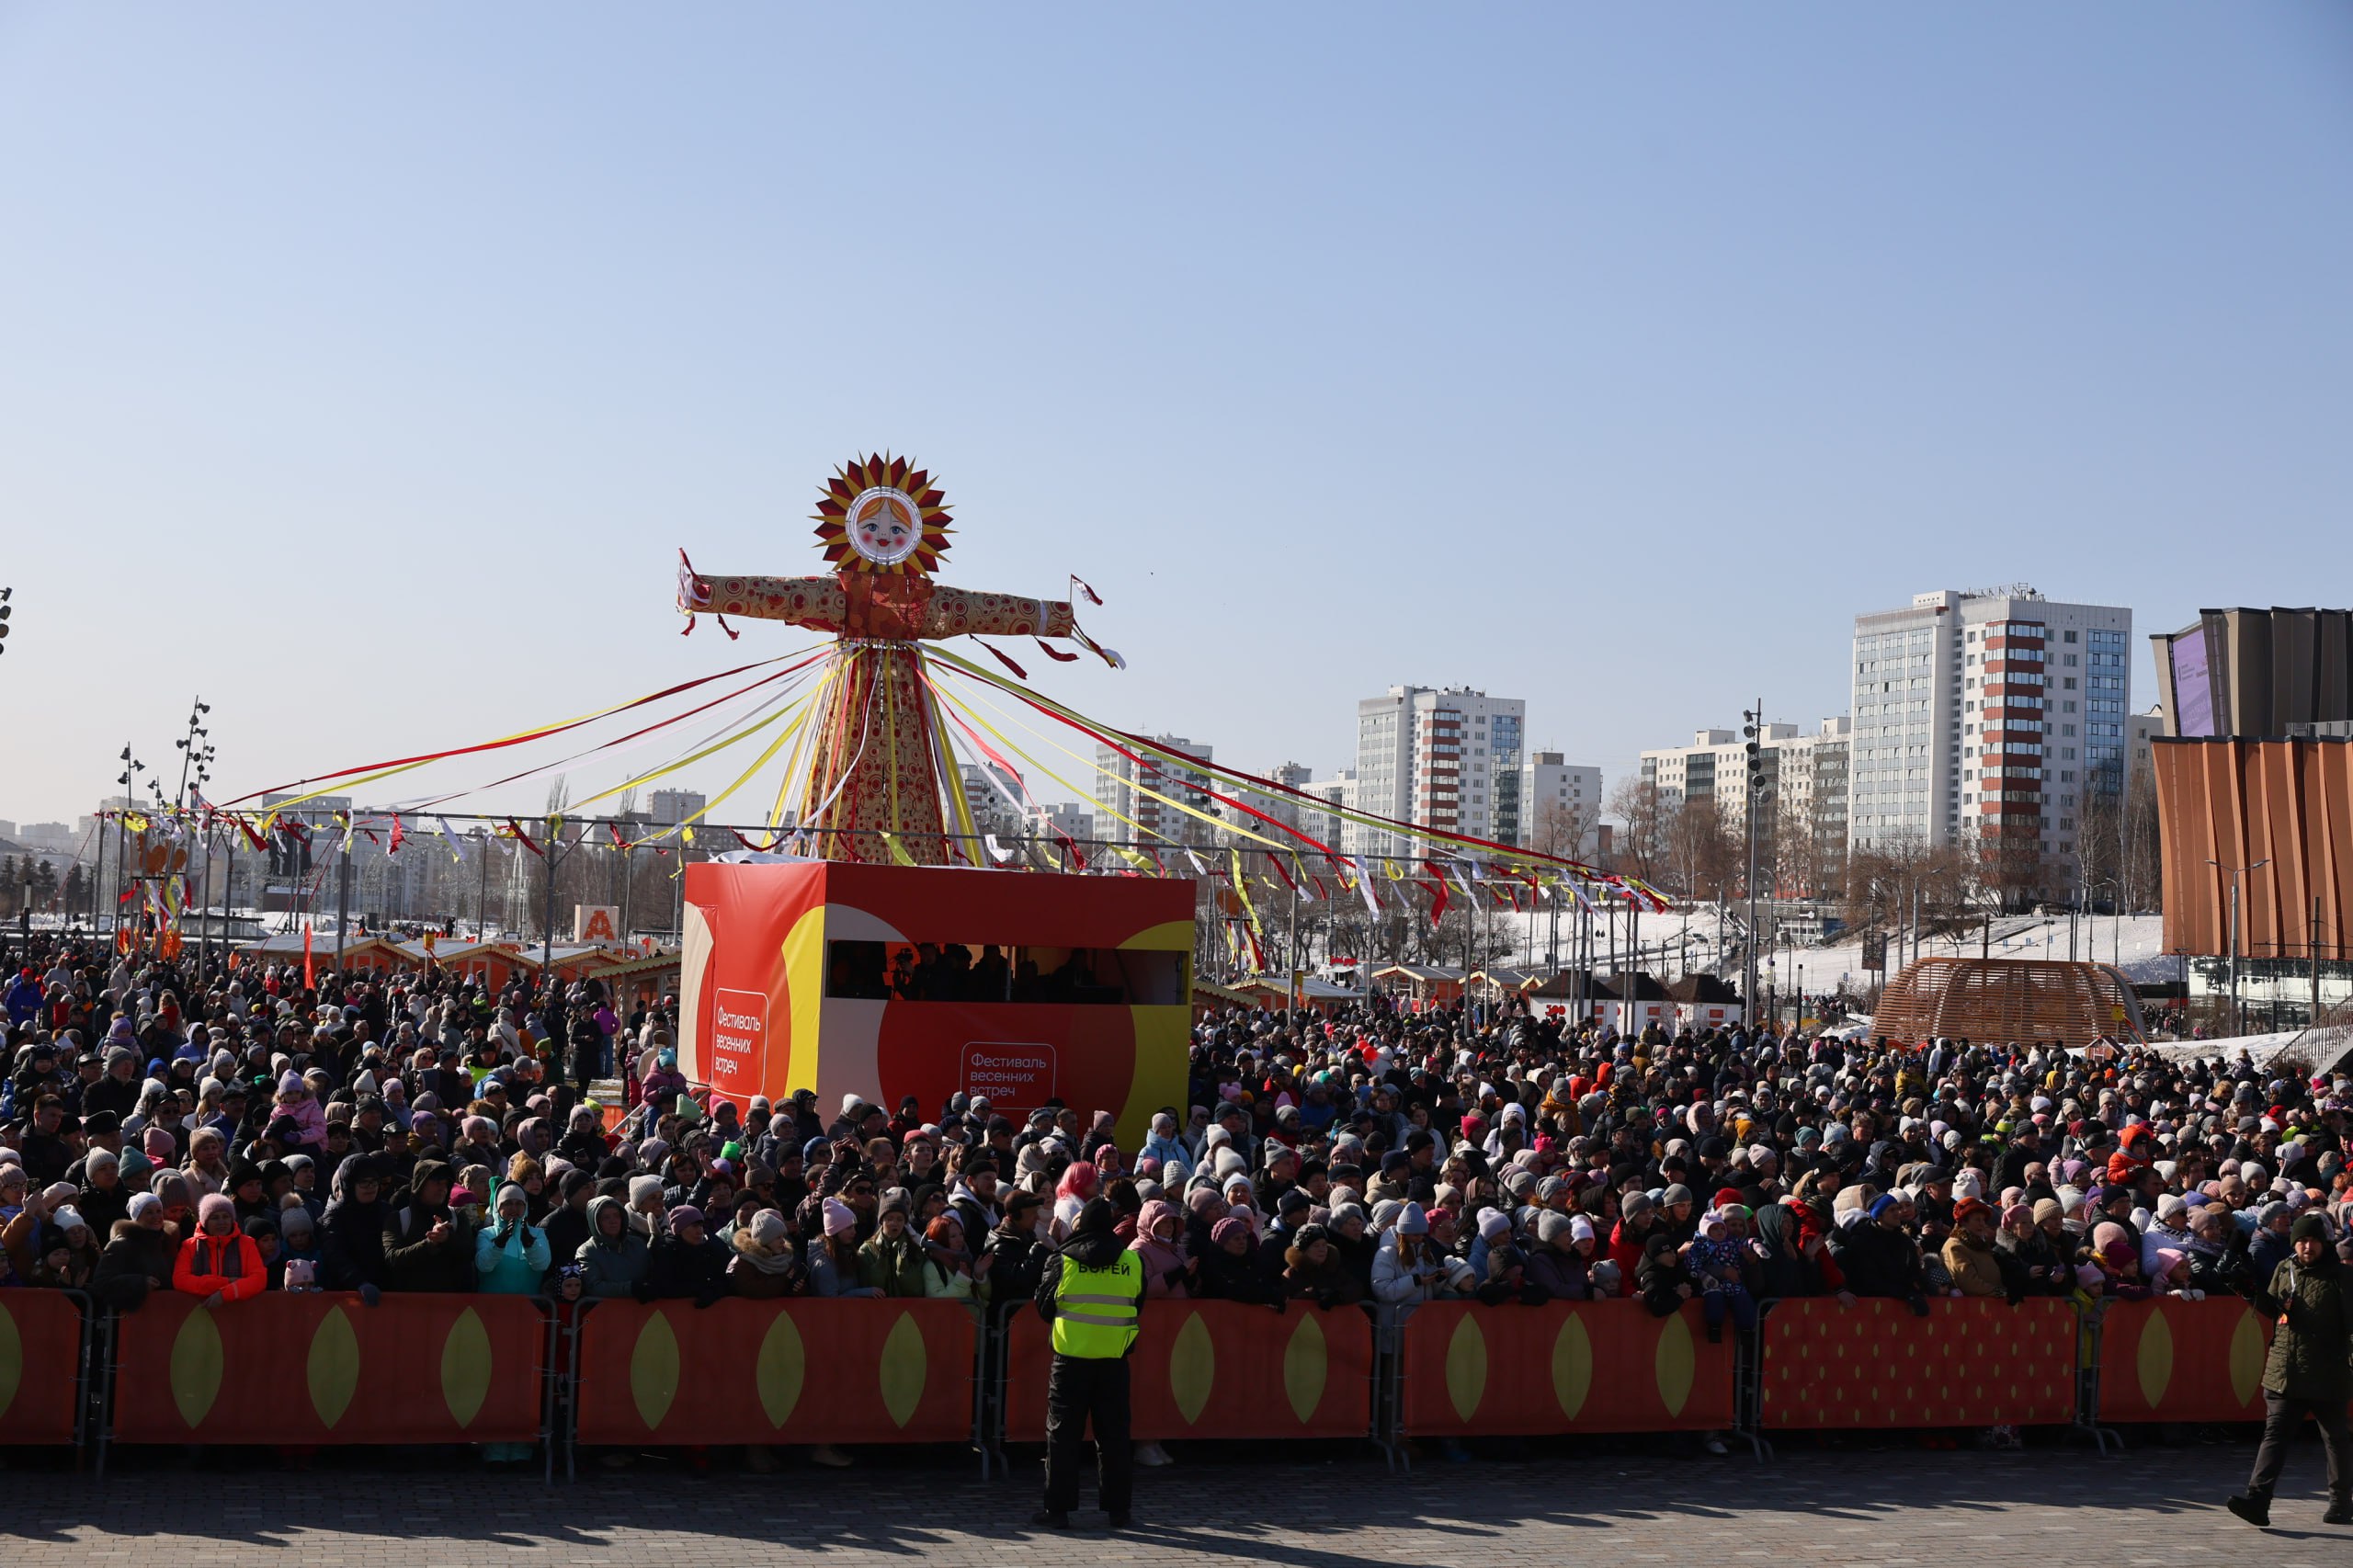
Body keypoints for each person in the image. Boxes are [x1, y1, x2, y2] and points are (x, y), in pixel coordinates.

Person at [2227, 1213, 2352, 1528]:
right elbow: (2274, 1309)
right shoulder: (2285, 1269)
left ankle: (2340, 1502)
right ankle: (2258, 1500)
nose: (2306, 1246)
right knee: (2275, 1436)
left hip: (2328, 1370)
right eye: (2300, 1240)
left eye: (2311, 1240)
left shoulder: (2341, 1277)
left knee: (2336, 1438)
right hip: (2284, 1370)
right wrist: (2246, 1289)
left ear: (2324, 1242)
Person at [1031, 1196, 1143, 1531]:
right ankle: (1119, 1512)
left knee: (1062, 1436)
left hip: (1070, 1360)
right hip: (1114, 1360)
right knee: (1114, 1438)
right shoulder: (1132, 1261)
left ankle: (1058, 1511)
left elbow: (1043, 1308)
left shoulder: (1062, 1259)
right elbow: (1138, 1304)